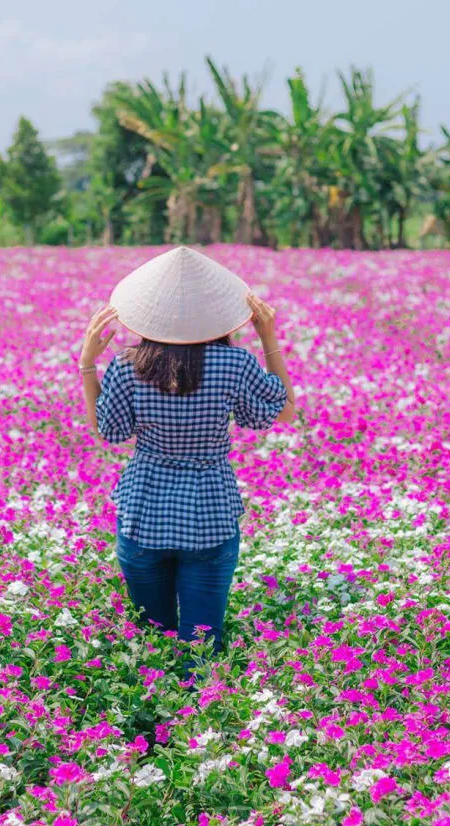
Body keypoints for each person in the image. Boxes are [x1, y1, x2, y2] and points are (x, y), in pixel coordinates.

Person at [77, 246, 299, 679]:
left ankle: (153, 730)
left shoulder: (128, 366)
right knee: (200, 648)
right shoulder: (235, 362)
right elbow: (283, 411)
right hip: (210, 514)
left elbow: (111, 432)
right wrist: (268, 337)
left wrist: (88, 364)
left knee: (152, 643)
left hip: (143, 514)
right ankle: (200, 732)